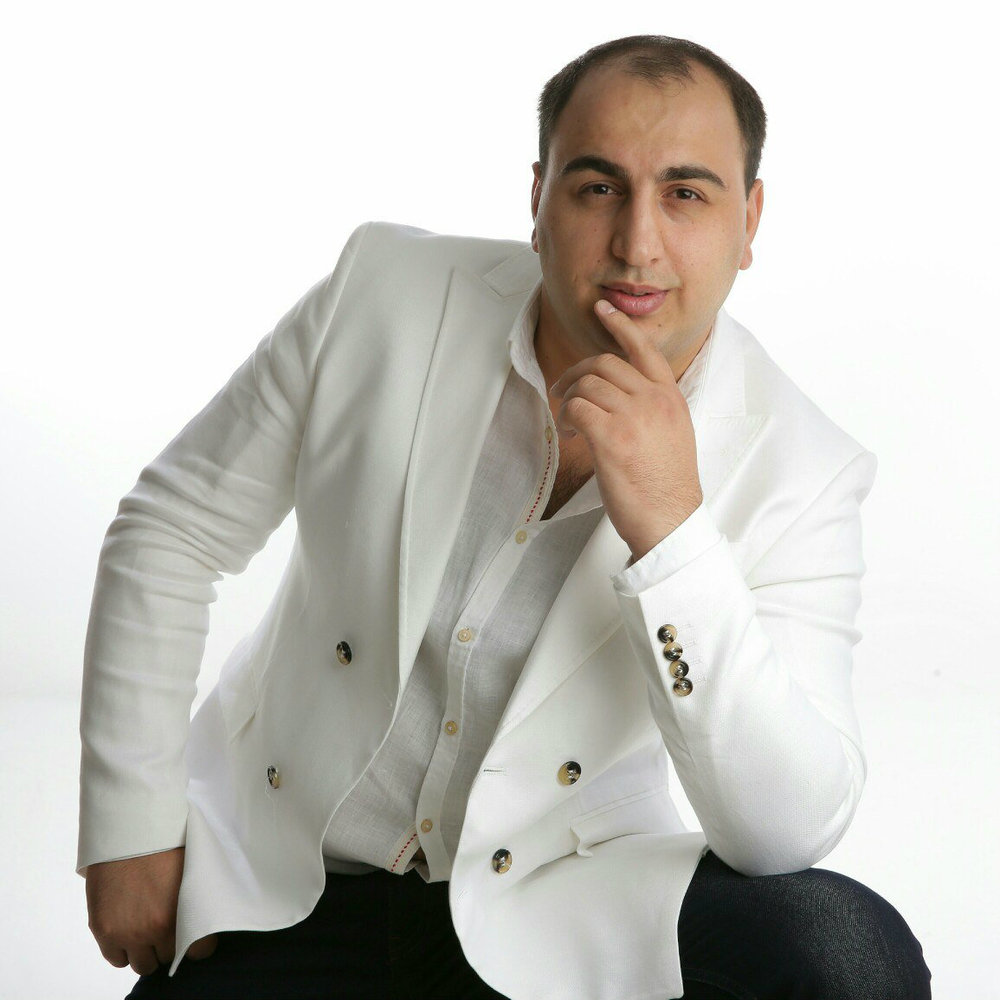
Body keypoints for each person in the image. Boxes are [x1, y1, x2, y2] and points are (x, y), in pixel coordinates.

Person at [79, 35, 931, 1000]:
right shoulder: (384, 293)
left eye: (687, 194)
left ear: (750, 220)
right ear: (537, 199)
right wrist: (130, 828)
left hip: (553, 904)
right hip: (292, 876)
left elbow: (786, 830)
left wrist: (672, 530)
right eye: (598, 187)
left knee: (848, 953)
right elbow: (173, 528)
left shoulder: (805, 467)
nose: (637, 243)